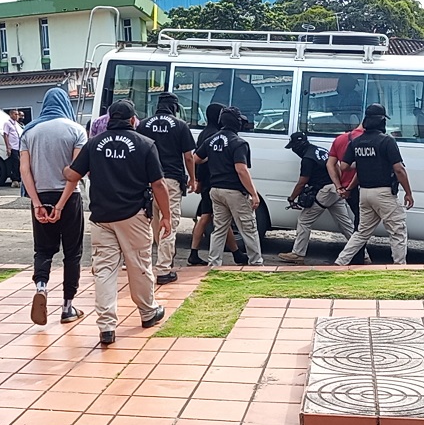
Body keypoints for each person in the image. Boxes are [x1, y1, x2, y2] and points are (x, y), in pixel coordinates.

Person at [64, 100, 170, 346]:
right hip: (133, 215)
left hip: (101, 218)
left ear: (110, 119)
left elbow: (73, 175)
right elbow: (159, 184)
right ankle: (147, 312)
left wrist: (63, 169)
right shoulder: (145, 144)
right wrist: (165, 215)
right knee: (139, 264)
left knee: (104, 271)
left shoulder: (93, 144)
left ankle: (106, 327)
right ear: (133, 120)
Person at [20, 88, 87, 325]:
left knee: (43, 249)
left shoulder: (29, 132)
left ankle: (41, 286)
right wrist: (60, 205)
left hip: (41, 195)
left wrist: (36, 202)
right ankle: (68, 307)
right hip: (68, 198)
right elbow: (76, 172)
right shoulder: (76, 130)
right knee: (73, 253)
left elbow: (25, 170)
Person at [335, 104, 414, 265]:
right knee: (397, 230)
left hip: (364, 193)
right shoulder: (387, 141)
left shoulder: (356, 142)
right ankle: (400, 267)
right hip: (384, 193)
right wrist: (408, 193)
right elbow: (399, 169)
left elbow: (344, 167)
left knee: (361, 232)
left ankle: (340, 262)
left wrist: (350, 188)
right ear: (382, 121)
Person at [137, 92, 196, 284]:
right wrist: (193, 179)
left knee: (151, 224)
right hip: (170, 180)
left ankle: (148, 267)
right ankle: (163, 270)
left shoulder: (143, 124)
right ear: (175, 108)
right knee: (169, 223)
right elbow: (188, 156)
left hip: (146, 180)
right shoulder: (180, 125)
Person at [194, 106, 263, 266]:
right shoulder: (239, 143)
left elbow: (196, 158)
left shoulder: (211, 140)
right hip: (234, 191)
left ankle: (214, 263)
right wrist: (253, 193)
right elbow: (241, 170)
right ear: (237, 123)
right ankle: (256, 263)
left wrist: (211, 160)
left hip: (215, 190)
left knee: (219, 229)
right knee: (249, 228)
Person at [278, 132, 356, 264]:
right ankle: (363, 254)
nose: (293, 150)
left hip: (326, 190)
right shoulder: (320, 150)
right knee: (346, 224)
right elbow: (335, 165)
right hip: (336, 188)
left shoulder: (307, 158)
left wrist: (292, 198)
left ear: (298, 145)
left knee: (304, 220)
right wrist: (339, 185)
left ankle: (298, 253)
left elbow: (302, 182)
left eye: (293, 146)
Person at [327, 120, 368, 265]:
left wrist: (339, 186)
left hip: (347, 189)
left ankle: (354, 258)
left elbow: (330, 164)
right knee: (363, 224)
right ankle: (355, 258)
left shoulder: (340, 139)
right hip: (364, 186)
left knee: (360, 223)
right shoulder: (368, 139)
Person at [3, 109, 23, 188]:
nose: (17, 116)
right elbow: (5, 135)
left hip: (18, 146)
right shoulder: (7, 123)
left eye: (17, 114)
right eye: (15, 114)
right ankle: (14, 179)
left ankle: (18, 179)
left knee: (19, 163)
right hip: (12, 146)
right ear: (11, 114)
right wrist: (8, 147)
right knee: (15, 162)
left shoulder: (16, 124)